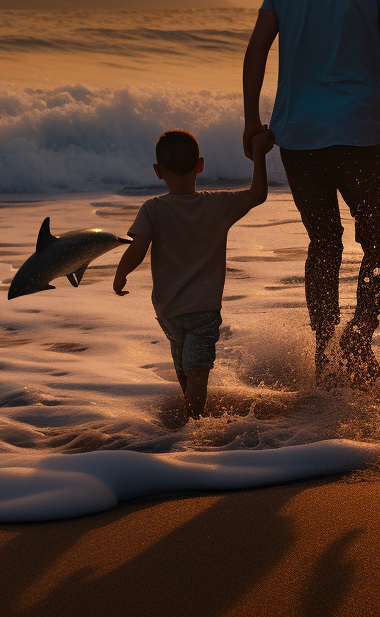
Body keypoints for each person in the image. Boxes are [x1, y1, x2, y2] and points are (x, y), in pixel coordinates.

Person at [241, 0, 380, 389]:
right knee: (379, 245)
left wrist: (250, 120)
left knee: (323, 243)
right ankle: (359, 337)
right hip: (359, 136)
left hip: (297, 137)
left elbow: (257, 48)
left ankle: (324, 350)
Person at [112, 127, 274, 420]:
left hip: (168, 311)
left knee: (185, 370)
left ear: (157, 171)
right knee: (196, 373)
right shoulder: (217, 204)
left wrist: (121, 273)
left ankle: (190, 428)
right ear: (200, 165)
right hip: (203, 311)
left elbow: (137, 247)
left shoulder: (152, 209)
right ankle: (194, 430)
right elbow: (258, 194)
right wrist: (259, 154)